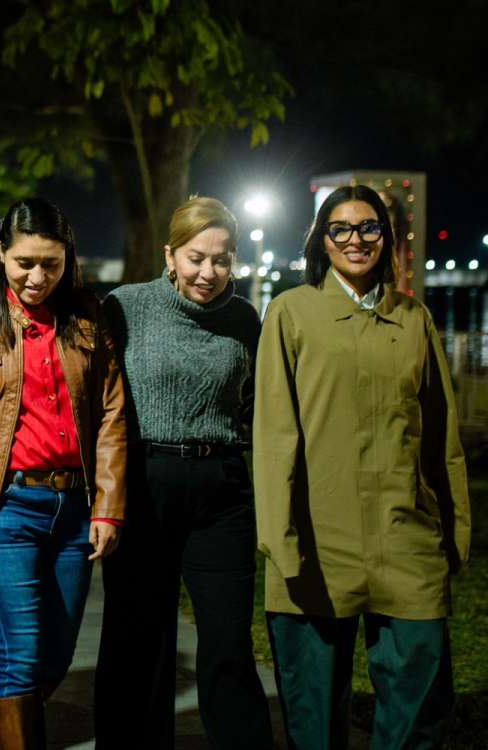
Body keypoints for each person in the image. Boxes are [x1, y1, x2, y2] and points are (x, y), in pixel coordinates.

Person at [254, 185, 470, 749]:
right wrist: (280, 539)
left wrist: (455, 530)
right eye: (341, 228)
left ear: (387, 238)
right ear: (322, 241)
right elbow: (274, 435)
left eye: (370, 227)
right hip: (318, 540)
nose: (356, 239)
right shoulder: (291, 313)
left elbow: (441, 436)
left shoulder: (414, 318)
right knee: (314, 715)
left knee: (419, 707)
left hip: (407, 536)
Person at [0, 198, 126, 746]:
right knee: (22, 654)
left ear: (68, 260)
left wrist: (108, 507)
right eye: (25, 263)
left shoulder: (88, 315)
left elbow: (111, 415)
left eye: (51, 264)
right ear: (1, 255)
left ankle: (7, 728)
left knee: (57, 654)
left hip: (74, 511)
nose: (37, 277)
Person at [95, 196, 273, 749]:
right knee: (138, 638)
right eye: (197, 258)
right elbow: (99, 398)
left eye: (222, 259)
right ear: (170, 255)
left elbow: (256, 405)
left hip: (222, 491)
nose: (209, 272)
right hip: (144, 484)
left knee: (228, 641)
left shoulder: (244, 318)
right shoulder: (126, 306)